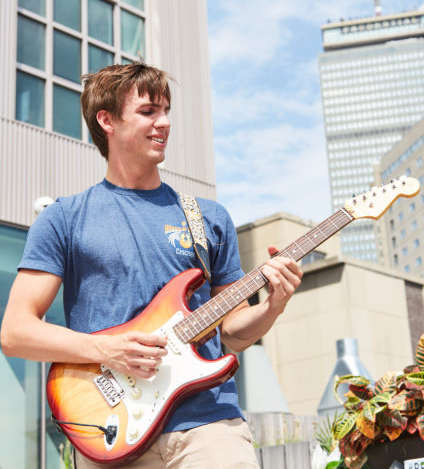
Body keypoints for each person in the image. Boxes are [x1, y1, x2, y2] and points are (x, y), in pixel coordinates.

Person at [0, 62, 303, 468]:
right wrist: (105, 349)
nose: (164, 123)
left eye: (166, 110)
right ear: (106, 120)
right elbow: (16, 332)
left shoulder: (207, 218)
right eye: (149, 111)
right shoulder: (63, 219)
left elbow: (234, 332)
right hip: (110, 427)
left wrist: (274, 305)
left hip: (208, 426)